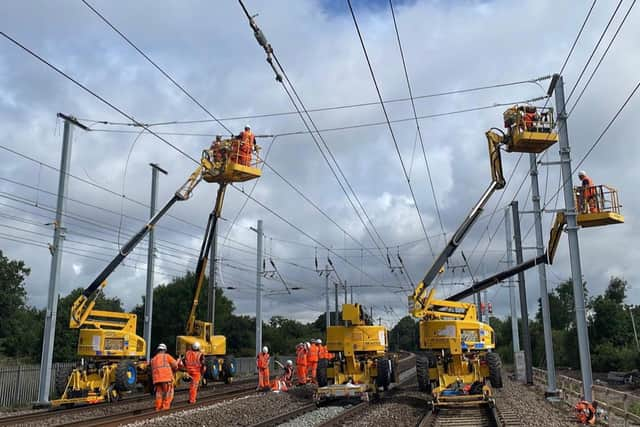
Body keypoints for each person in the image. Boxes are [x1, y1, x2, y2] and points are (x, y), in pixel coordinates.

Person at [150, 343, 179, 411]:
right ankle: (165, 408)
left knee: (159, 394)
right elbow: (175, 365)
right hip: (166, 378)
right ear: (165, 350)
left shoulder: (153, 359)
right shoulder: (167, 356)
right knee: (168, 393)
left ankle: (158, 407)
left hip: (157, 379)